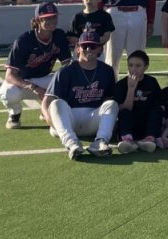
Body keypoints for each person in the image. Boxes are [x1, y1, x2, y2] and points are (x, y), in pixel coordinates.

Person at [43, 30, 119, 160]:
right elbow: (47, 102)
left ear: (100, 49)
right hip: (69, 119)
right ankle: (72, 143)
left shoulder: (107, 71)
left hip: (93, 119)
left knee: (112, 104)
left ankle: (100, 142)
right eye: (84, 46)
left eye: (93, 46)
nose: (88, 49)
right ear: (78, 48)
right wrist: (51, 121)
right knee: (56, 103)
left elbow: (109, 99)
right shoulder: (65, 71)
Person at [0, 2, 72, 129]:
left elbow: (67, 64)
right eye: (47, 18)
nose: (52, 20)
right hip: (22, 81)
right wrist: (34, 87)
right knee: (7, 93)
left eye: (54, 17)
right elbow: (10, 76)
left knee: (69, 83)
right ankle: (15, 113)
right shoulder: (24, 40)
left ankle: (49, 108)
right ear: (38, 20)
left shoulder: (59, 35)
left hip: (44, 78)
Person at [114, 49, 163, 154]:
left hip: (147, 124)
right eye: (130, 65)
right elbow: (126, 108)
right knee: (124, 112)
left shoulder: (152, 82)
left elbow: (159, 105)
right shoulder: (121, 84)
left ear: (146, 67)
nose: (133, 69)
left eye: (138, 65)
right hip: (130, 124)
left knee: (157, 110)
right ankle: (128, 141)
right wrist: (131, 89)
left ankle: (149, 140)